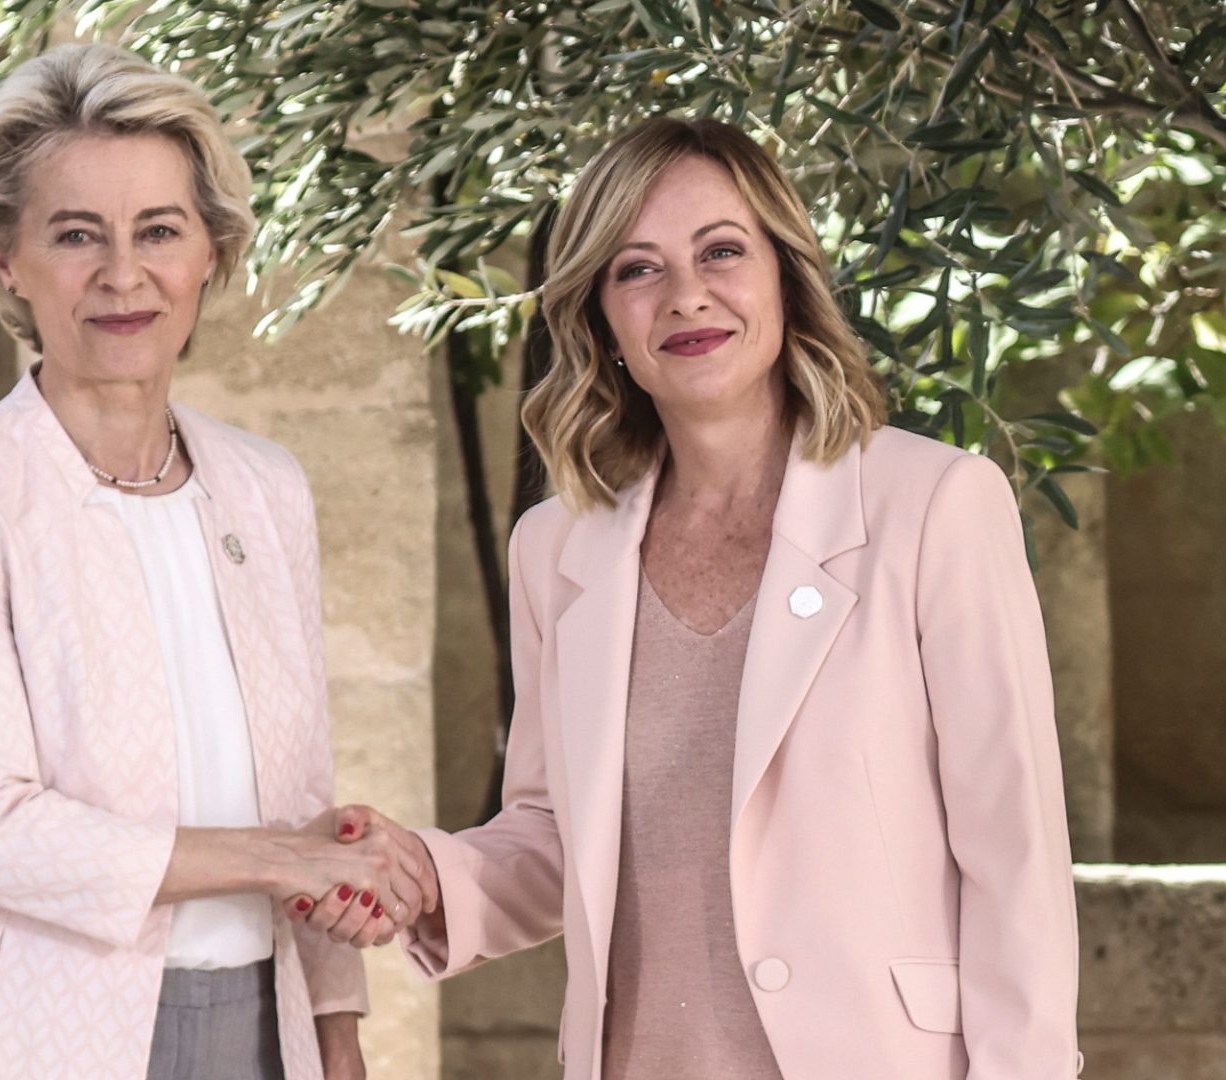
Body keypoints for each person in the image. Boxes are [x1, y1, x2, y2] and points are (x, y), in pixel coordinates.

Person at [291, 116, 1082, 1079]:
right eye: (638, 268)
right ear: (600, 318)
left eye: (722, 252)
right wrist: (418, 874)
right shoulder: (556, 548)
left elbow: (1017, 860)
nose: (687, 295)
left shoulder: (935, 507)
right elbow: (552, 838)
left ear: (786, 276)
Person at [0, 43, 431, 1080]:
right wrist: (281, 857)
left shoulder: (266, 487)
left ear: (208, 250)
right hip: (28, 1033)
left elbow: (305, 788)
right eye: (76, 235)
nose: (124, 275)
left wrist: (339, 1034)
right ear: (5, 259)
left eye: (159, 231)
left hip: (268, 1030)